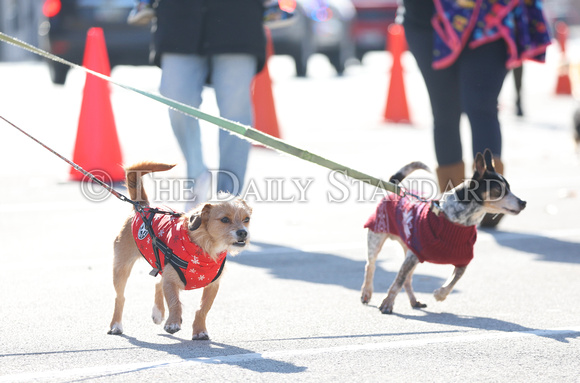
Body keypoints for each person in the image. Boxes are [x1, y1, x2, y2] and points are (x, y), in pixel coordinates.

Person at [398, 0, 551, 227]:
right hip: (427, 19)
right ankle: (454, 208)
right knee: (444, 111)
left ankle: (492, 200)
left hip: (489, 17)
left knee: (481, 107)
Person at [151, 0, 267, 208]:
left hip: (239, 20)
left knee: (235, 109)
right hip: (179, 20)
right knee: (176, 96)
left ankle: (229, 197)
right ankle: (197, 175)